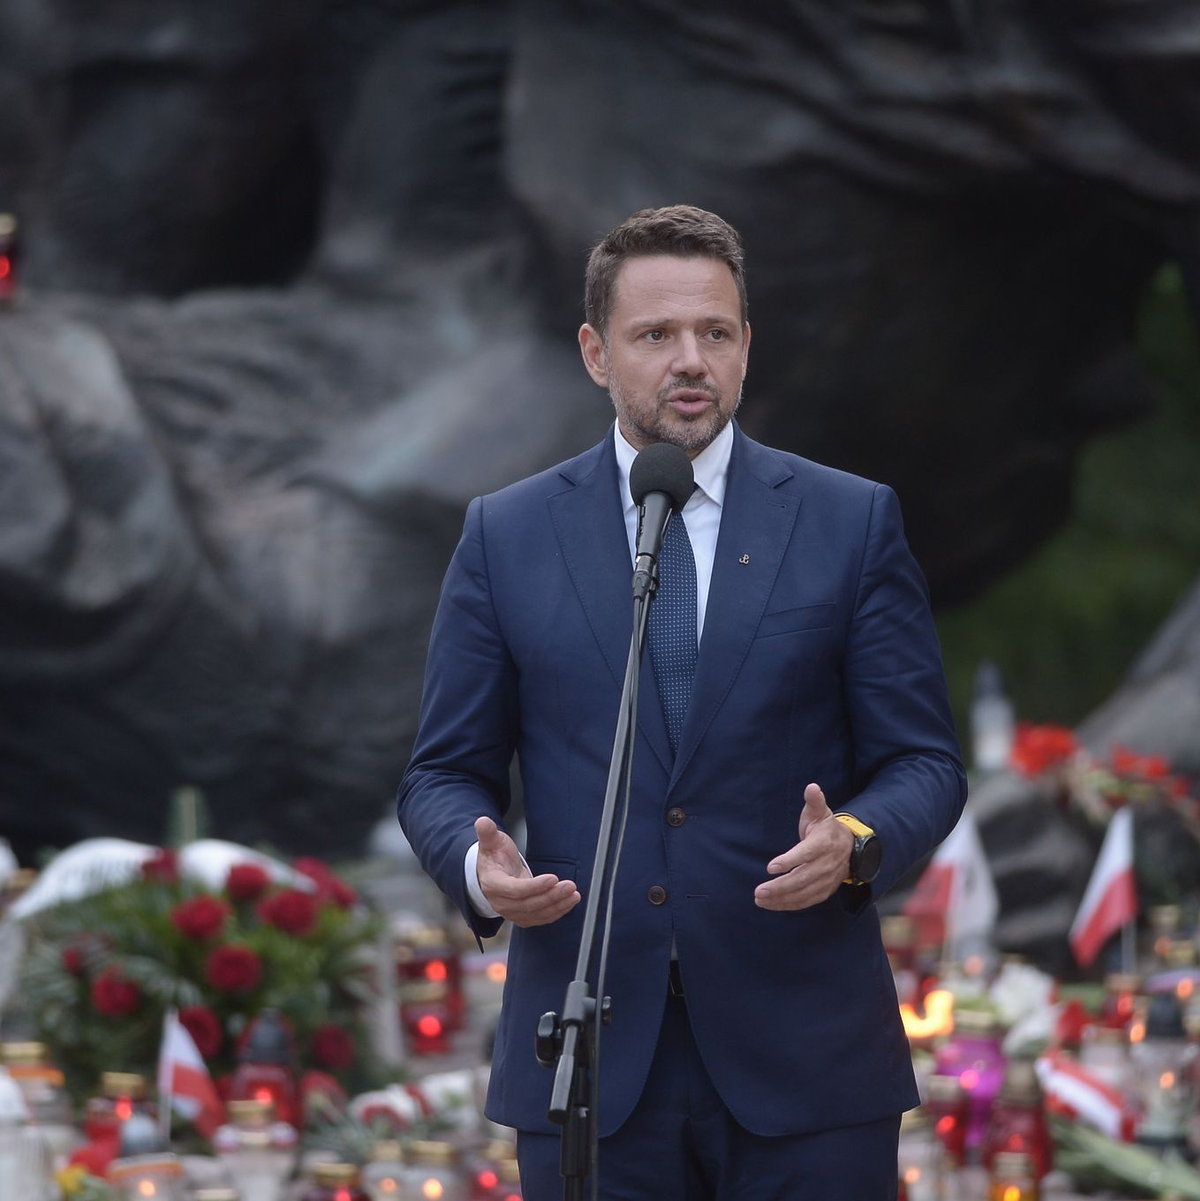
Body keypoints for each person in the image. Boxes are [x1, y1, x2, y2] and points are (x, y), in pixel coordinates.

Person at [398, 205, 966, 1200]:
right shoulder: (508, 534)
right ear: (594, 352)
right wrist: (481, 871)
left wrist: (858, 841)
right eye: (655, 335)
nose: (689, 359)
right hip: (591, 1061)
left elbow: (923, 763)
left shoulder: (849, 521)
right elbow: (444, 772)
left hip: (809, 1062)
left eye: (714, 332)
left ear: (747, 346)